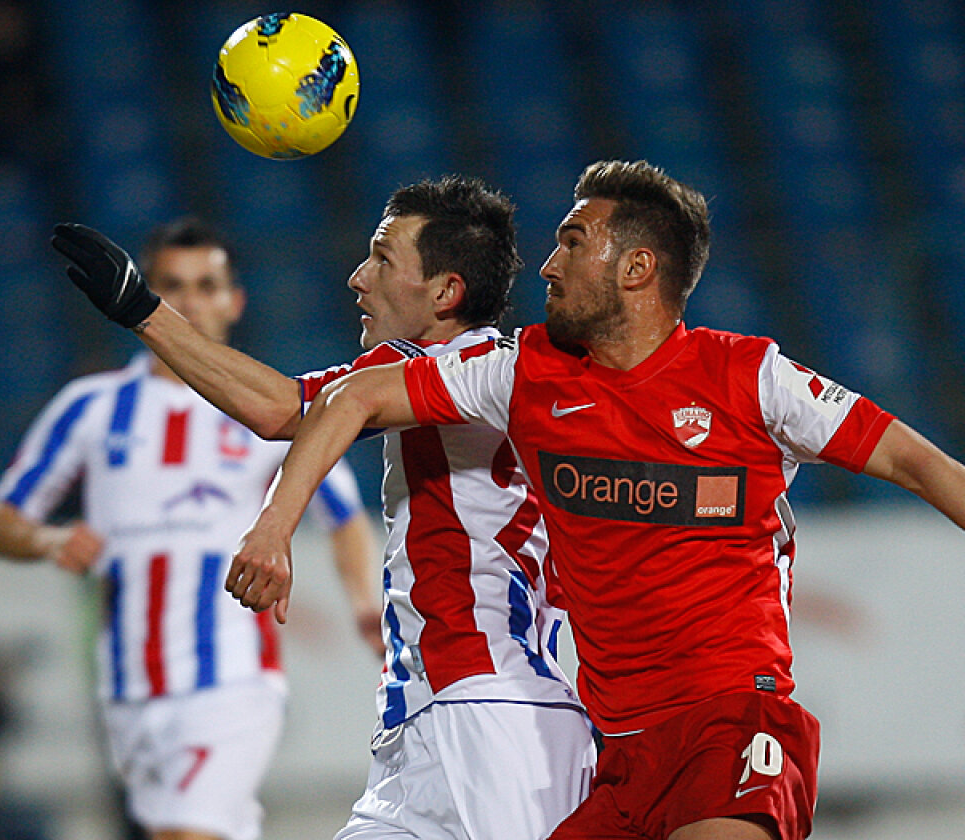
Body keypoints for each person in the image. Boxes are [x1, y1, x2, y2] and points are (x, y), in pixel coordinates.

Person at [217, 160, 965, 840]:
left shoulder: (751, 379)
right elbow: (351, 400)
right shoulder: (526, 374)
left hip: (732, 722)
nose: (546, 268)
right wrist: (276, 525)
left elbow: (914, 459)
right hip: (617, 759)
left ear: (636, 269)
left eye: (572, 243)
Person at [49, 177, 596, 840]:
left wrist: (143, 310)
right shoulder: (453, 372)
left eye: (383, 259)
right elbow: (290, 408)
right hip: (424, 721)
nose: (357, 278)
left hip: (493, 713)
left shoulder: (468, 371)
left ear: (445, 293)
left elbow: (283, 410)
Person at [0, 216, 380, 840]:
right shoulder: (91, 408)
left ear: (235, 301)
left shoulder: (272, 412)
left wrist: (363, 604)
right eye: (172, 286)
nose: (191, 302)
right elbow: (3, 523)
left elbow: (345, 517)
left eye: (207, 285)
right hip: (128, 689)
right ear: (148, 296)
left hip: (228, 679)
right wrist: (48, 539)